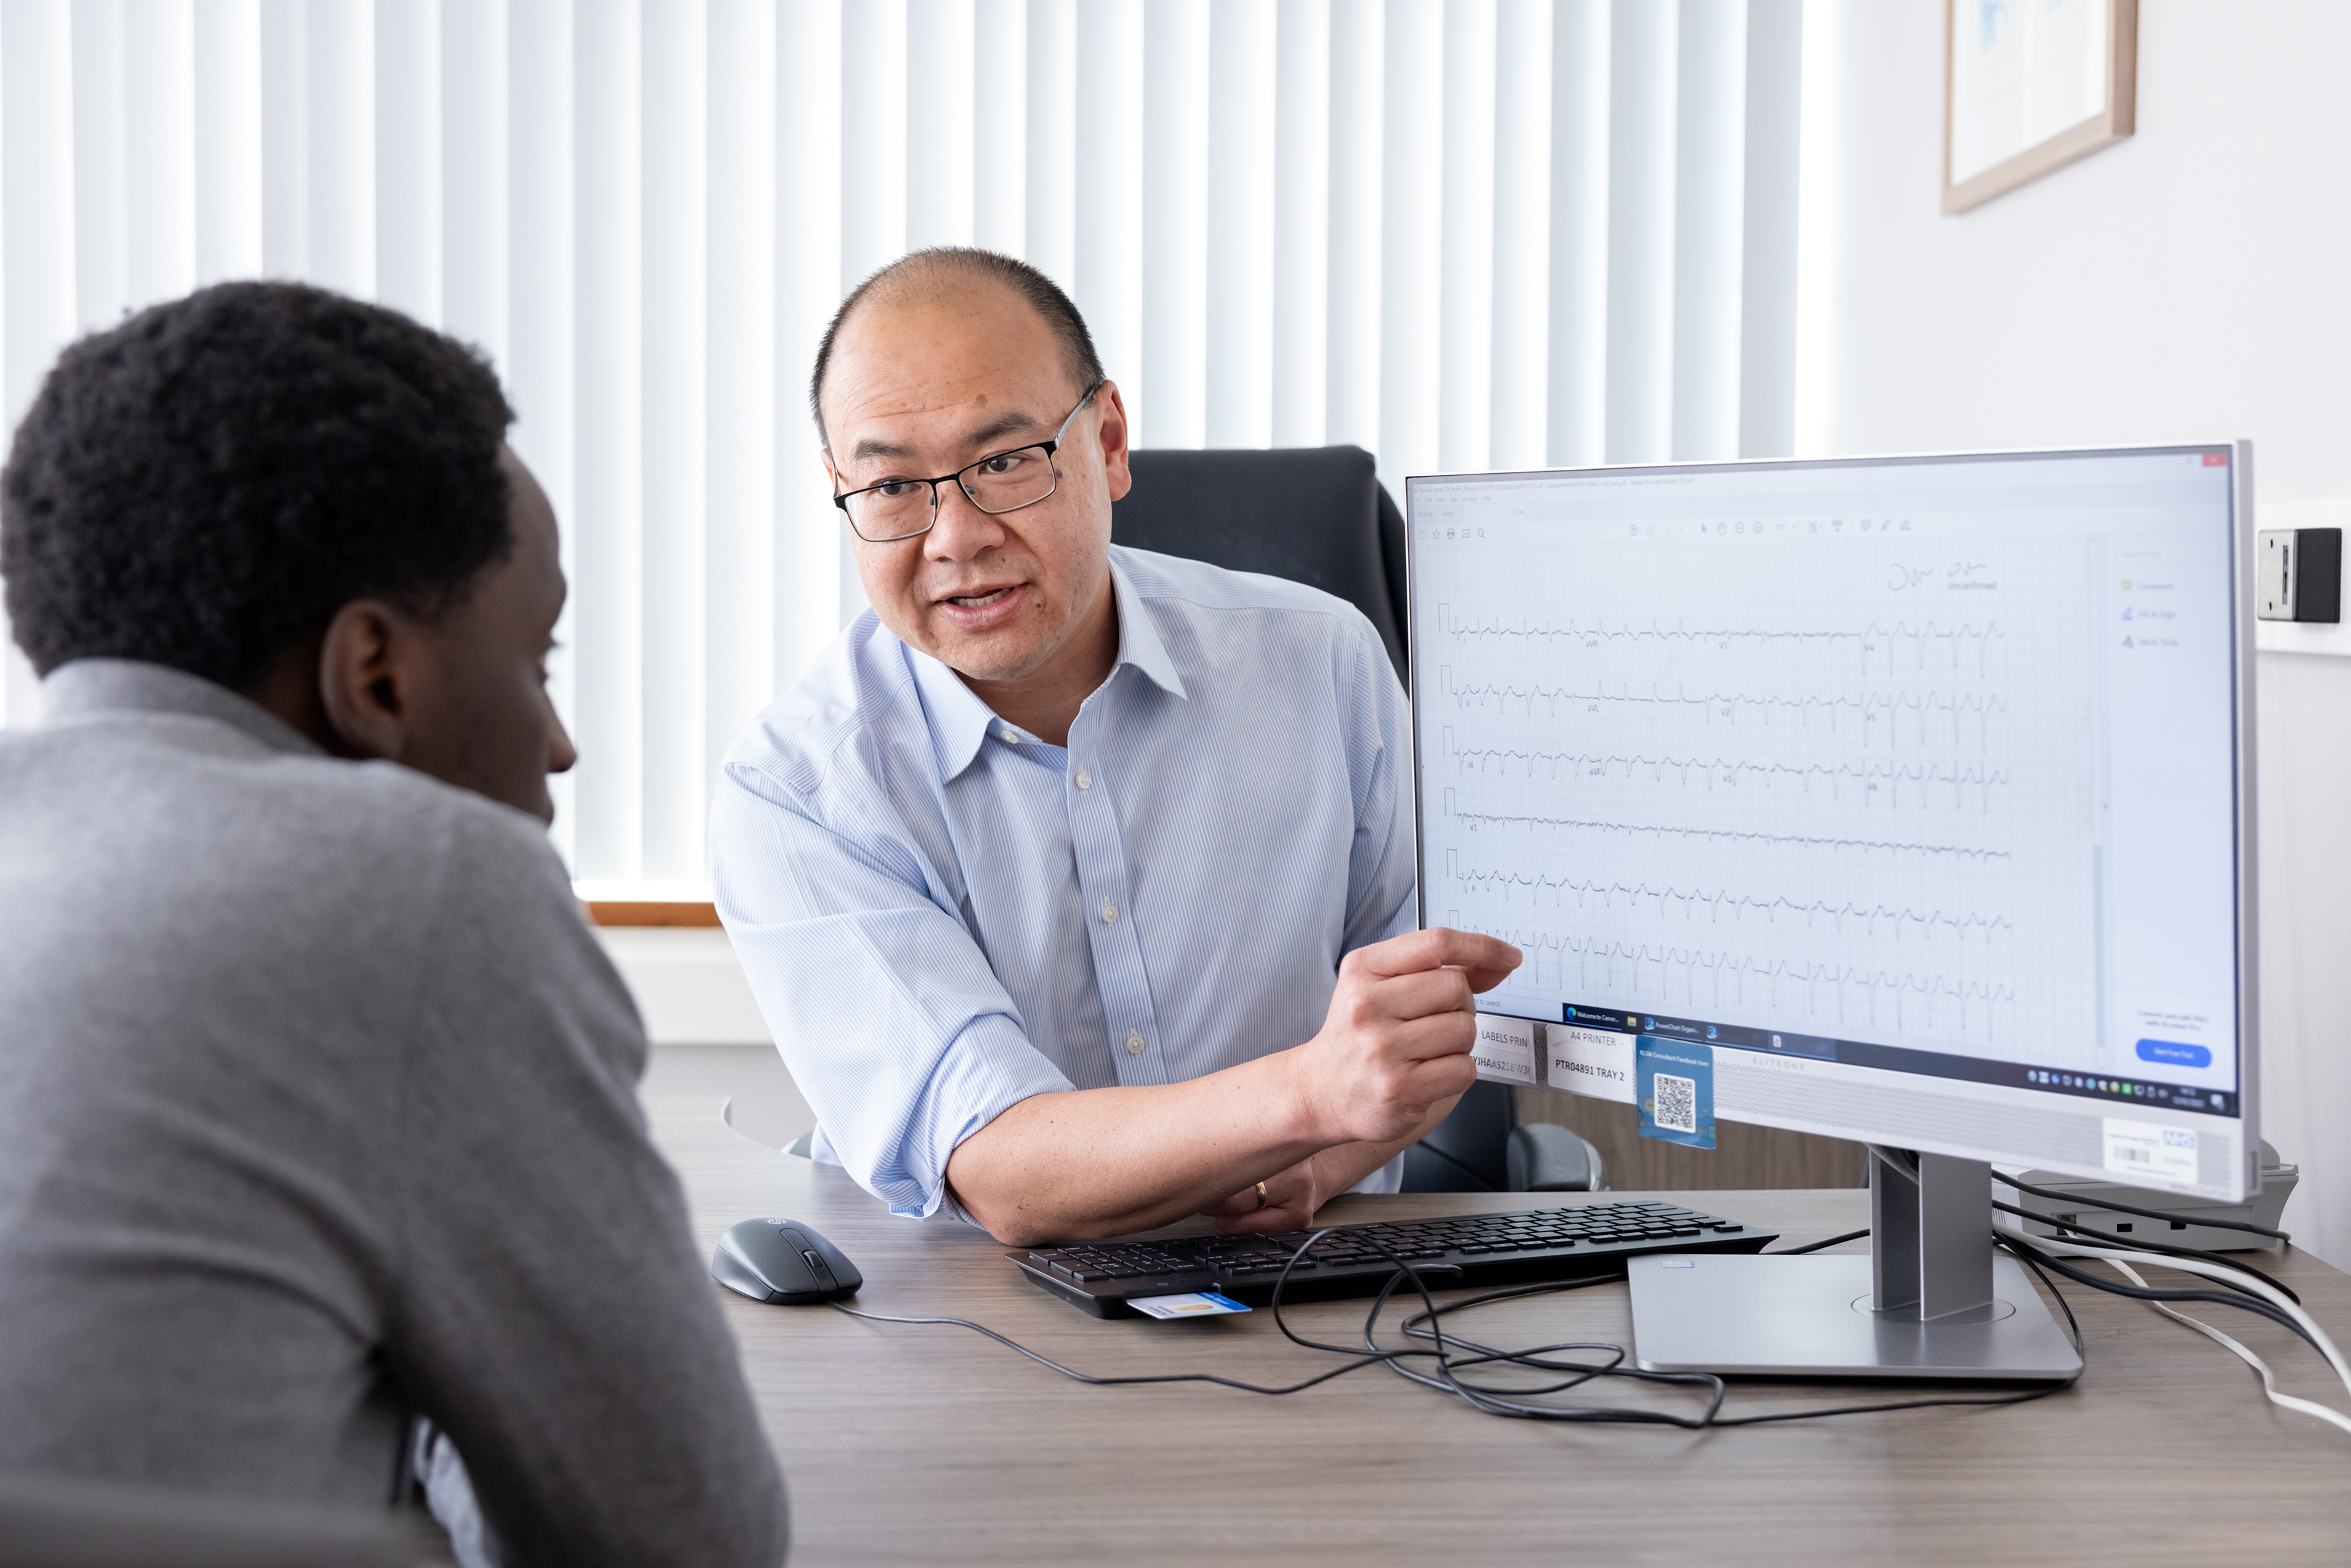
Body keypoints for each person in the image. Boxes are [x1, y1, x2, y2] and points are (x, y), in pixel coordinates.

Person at [0, 283, 788, 1568]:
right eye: (538, 662)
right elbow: (685, 1540)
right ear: (374, 675)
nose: (561, 746)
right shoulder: (427, 884)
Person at [711, 248, 1522, 1246]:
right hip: (966, 1340)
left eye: (1005, 461)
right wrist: (1305, 1104)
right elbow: (998, 1160)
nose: (954, 537)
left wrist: (1311, 1161)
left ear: (1107, 442)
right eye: (890, 488)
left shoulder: (1324, 665)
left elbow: (1440, 1019)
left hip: (1302, 1291)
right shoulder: (796, 792)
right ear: (842, 493)